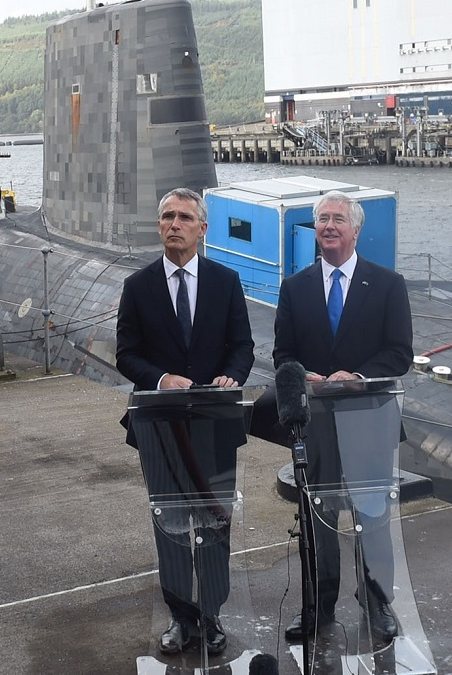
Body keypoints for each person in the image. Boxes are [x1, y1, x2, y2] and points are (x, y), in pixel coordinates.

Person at [116, 187, 255, 657]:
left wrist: (231, 376)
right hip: (159, 428)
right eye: (167, 217)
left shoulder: (226, 281)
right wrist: (160, 377)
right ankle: (180, 617)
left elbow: (243, 346)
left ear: (202, 229)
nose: (174, 224)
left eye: (184, 217)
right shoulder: (138, 287)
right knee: (170, 523)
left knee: (216, 521)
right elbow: (126, 354)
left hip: (214, 423)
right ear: (159, 226)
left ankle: (212, 615)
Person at [273, 190, 413, 644]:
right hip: (316, 423)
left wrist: (358, 375)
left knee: (372, 517)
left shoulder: (388, 284)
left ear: (355, 230)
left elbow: (399, 352)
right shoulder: (295, 288)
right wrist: (304, 374)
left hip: (370, 418)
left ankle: (376, 603)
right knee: (318, 519)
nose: (329, 226)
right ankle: (318, 607)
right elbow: (282, 353)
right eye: (322, 219)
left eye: (337, 219)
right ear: (315, 229)